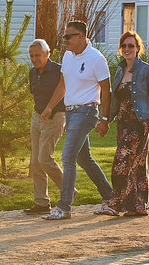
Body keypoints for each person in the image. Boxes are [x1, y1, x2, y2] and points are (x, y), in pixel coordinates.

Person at [40, 20, 113, 220]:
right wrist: (49, 107)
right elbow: (62, 86)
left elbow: (106, 90)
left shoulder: (96, 58)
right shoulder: (67, 56)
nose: (65, 40)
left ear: (81, 37)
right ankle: (110, 197)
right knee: (83, 159)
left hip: (87, 111)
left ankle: (64, 207)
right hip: (70, 113)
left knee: (67, 157)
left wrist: (105, 118)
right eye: (64, 36)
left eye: (68, 36)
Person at [98, 31, 149, 216]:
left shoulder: (147, 70)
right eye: (124, 46)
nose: (127, 49)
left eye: (131, 46)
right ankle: (136, 206)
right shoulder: (120, 70)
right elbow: (115, 100)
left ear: (138, 48)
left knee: (121, 161)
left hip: (140, 122)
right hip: (123, 123)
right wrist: (106, 120)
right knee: (136, 163)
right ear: (121, 49)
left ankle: (115, 203)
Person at [24, 39, 66, 215]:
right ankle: (41, 203)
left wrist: (49, 108)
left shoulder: (58, 70)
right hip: (37, 117)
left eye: (37, 55)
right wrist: (40, 113)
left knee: (44, 158)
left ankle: (68, 190)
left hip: (55, 116)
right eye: (32, 56)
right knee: (35, 161)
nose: (34, 59)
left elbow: (63, 89)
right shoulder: (32, 73)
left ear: (47, 54)